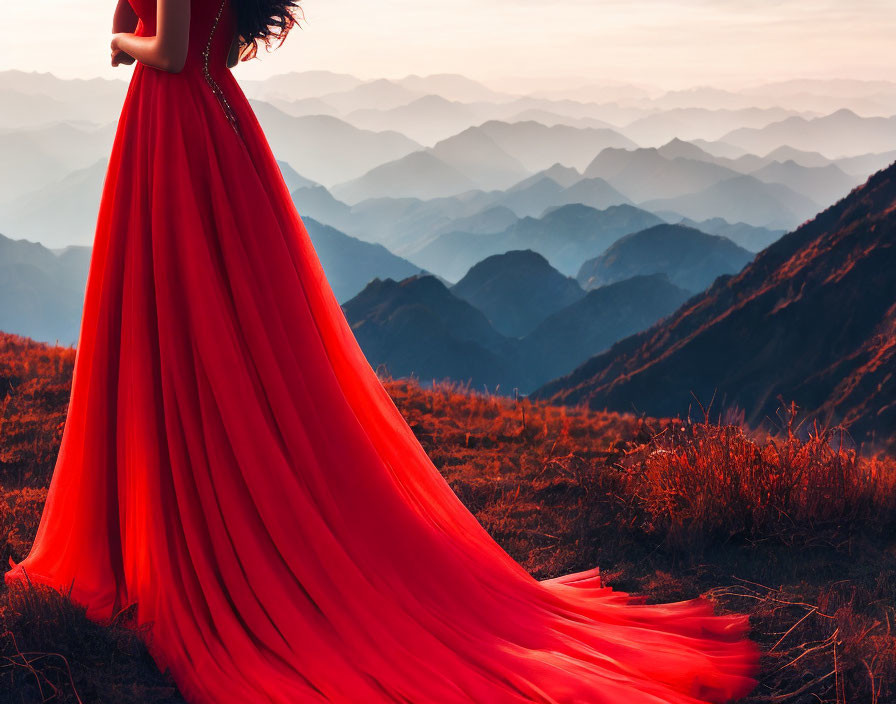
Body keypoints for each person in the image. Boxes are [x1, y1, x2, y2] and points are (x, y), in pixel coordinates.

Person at [5, 0, 760, 701]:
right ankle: (179, 514)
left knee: (174, 316)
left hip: (171, 128)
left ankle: (170, 530)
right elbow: (205, 41)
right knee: (213, 324)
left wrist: (116, 41)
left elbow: (165, 51)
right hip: (214, 125)